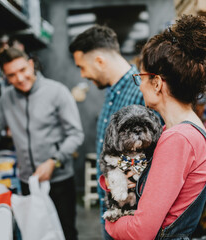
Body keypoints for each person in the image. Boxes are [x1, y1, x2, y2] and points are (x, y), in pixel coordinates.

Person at [104, 15, 206, 239]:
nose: (140, 85)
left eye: (141, 77)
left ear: (156, 83)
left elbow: (141, 232)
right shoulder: (182, 130)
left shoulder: (178, 139)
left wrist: (109, 224)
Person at [0, 47, 84, 240]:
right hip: (28, 182)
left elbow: (76, 134)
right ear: (5, 76)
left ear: (31, 65)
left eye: (22, 70)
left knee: (65, 232)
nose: (20, 78)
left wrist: (55, 160)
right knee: (35, 233)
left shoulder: (57, 92)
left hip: (60, 180)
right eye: (11, 75)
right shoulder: (7, 99)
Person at [69, 25, 144, 239]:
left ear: (100, 61)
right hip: (112, 209)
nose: (83, 75)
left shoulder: (141, 91)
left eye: (82, 67)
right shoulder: (112, 91)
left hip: (132, 216)